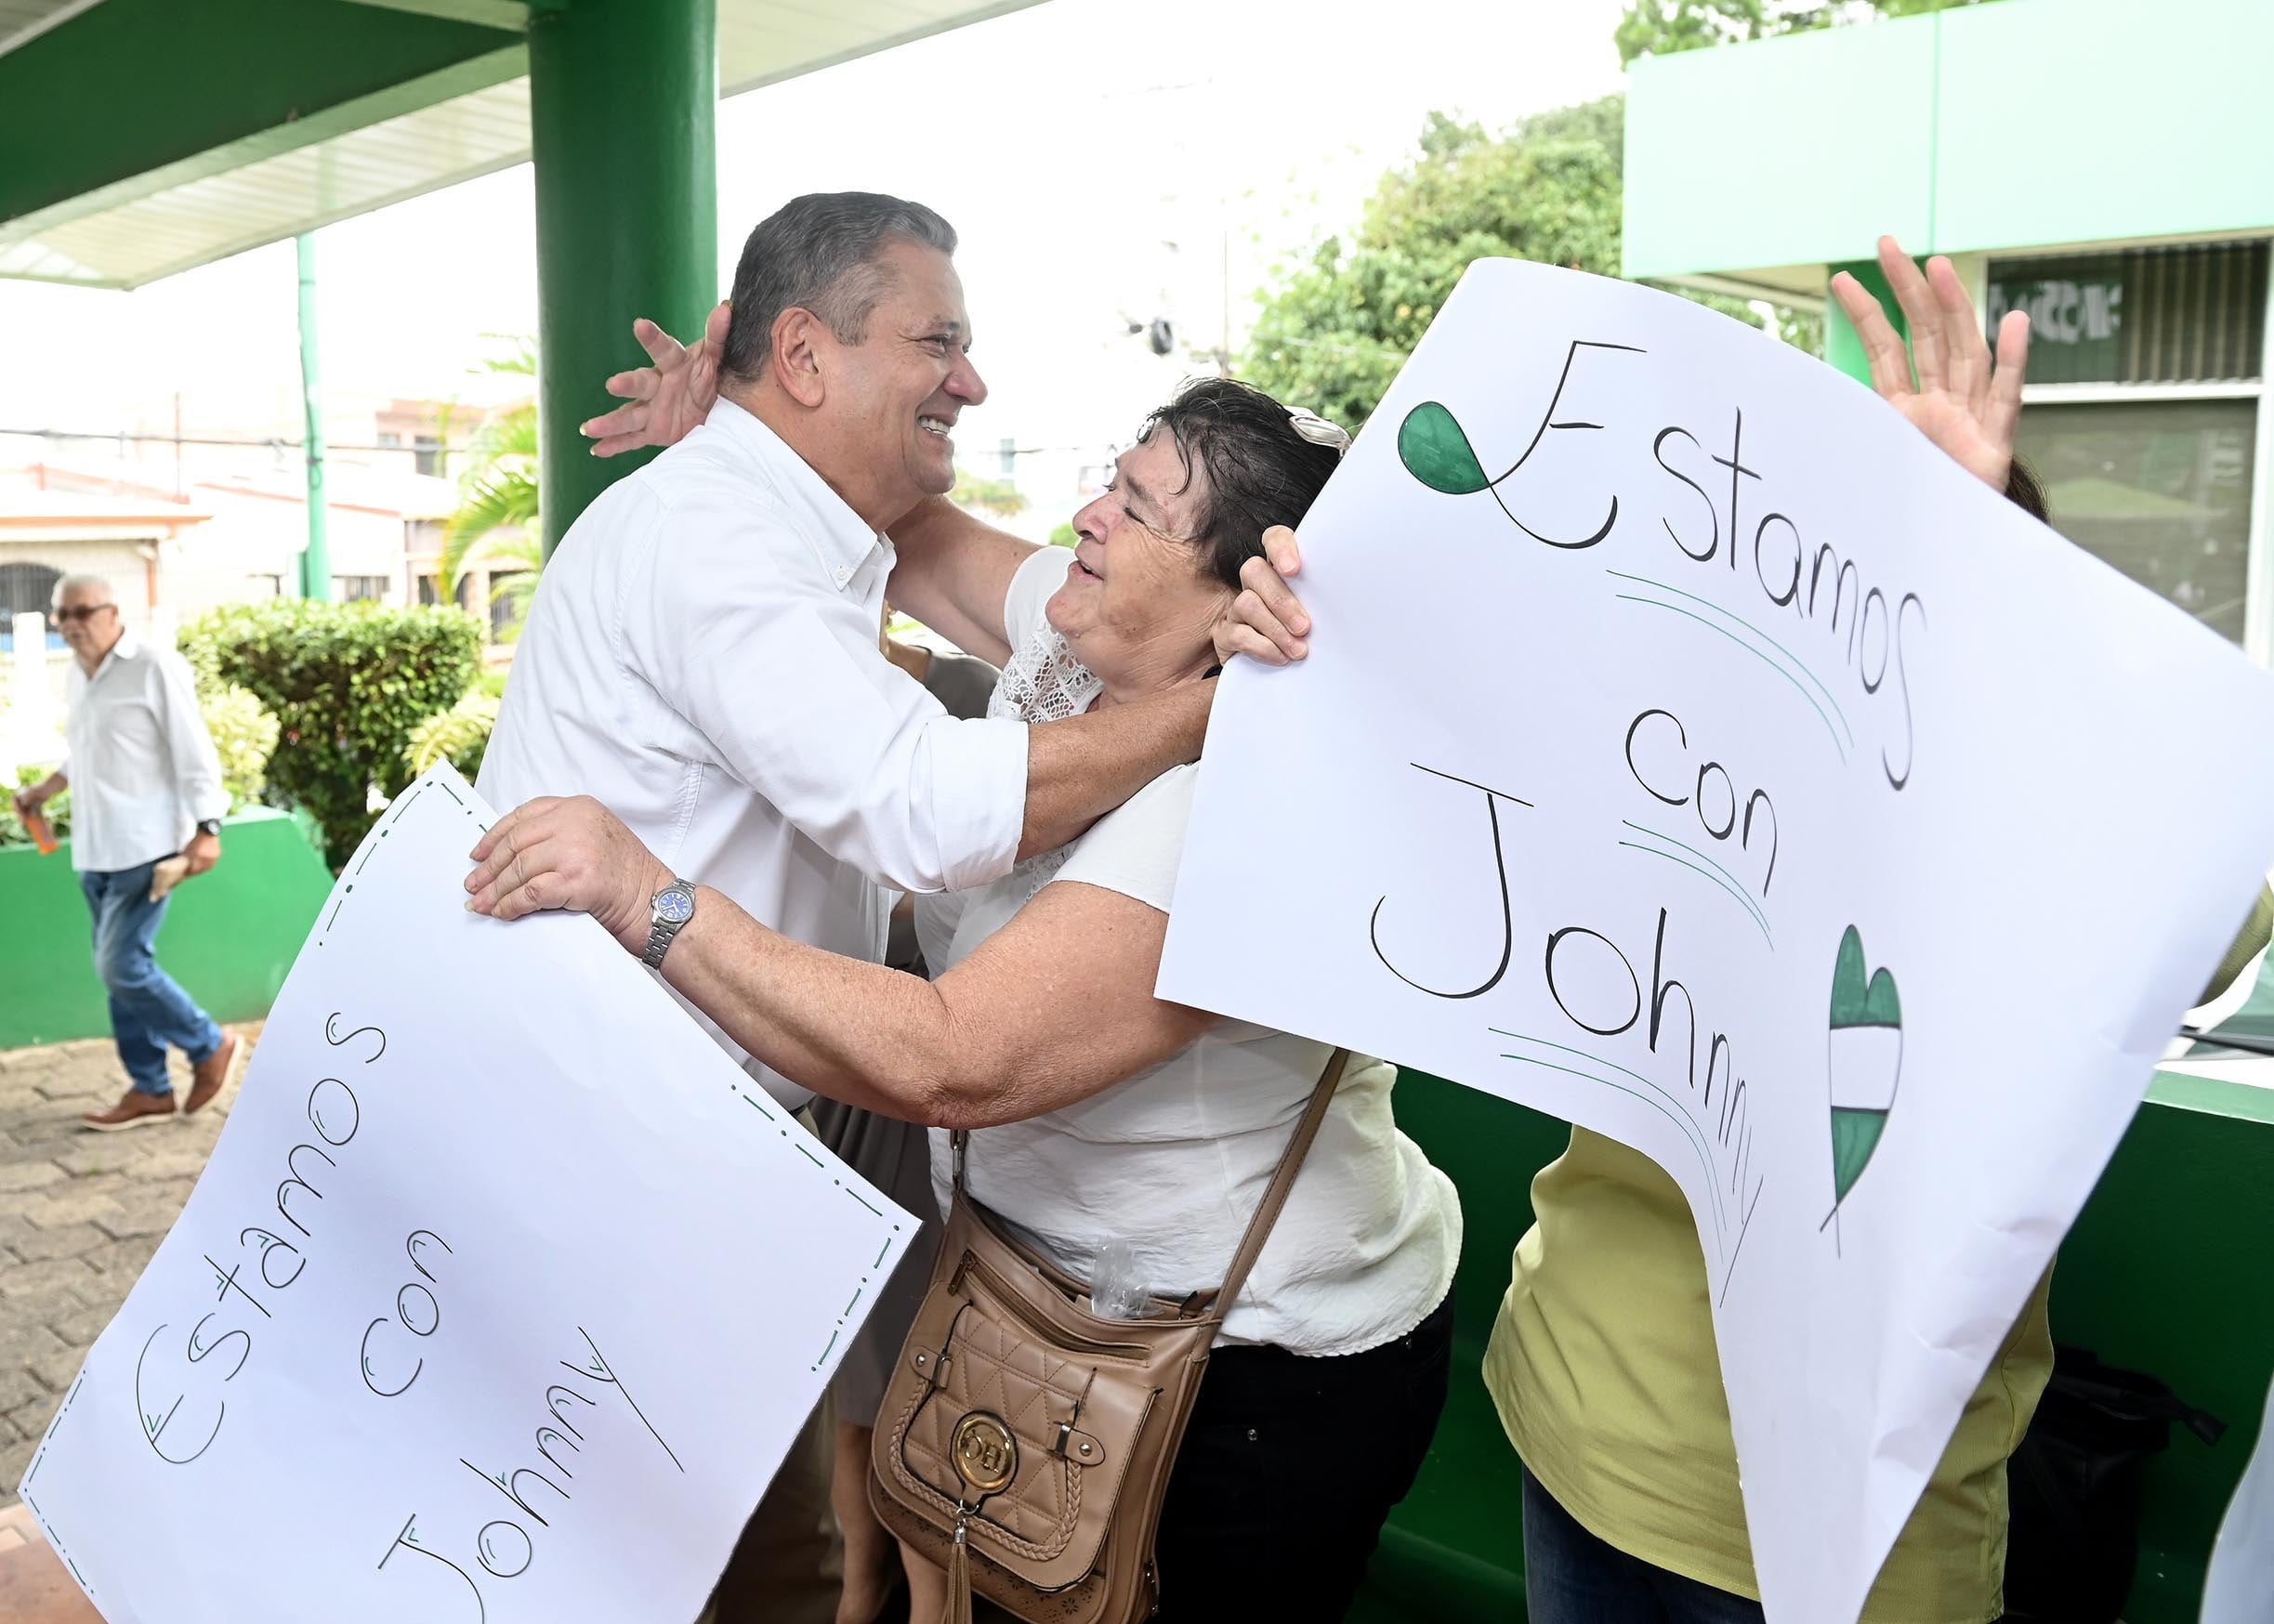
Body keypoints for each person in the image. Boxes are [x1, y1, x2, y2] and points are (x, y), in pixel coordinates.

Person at [1213, 237, 2274, 1623]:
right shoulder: (1668, 752)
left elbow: (2187, 904)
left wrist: (1975, 560)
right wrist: (1307, 637)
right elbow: (1431, 722)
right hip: (1575, 1419)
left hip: (1857, 1528)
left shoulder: (2042, 829)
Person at [466, 376, 1464, 1622]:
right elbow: (915, 539)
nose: (1089, 514)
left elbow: (955, 1058)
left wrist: (650, 897)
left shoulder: (1245, 807)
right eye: (1112, 472)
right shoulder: (1077, 625)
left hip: (1241, 1373)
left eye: (1136, 508)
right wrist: (749, 429)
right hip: (1037, 1305)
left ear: (1237, 607)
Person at [480, 192, 1219, 1624]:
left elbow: (935, 577)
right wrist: (1205, 719)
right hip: (638, 1165)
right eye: (937, 343)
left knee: (757, 1555)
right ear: (806, 359)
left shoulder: (780, 521)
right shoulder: (716, 536)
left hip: (718, 1155)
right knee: (670, 1562)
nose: (972, 380)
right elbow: (923, 812)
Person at [11, 573, 242, 1131]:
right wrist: (46, 790)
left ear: (114, 613)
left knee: (120, 966)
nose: (70, 626)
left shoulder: (154, 666)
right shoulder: (78, 675)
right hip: (94, 848)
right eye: (61, 615)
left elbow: (194, 752)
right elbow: (87, 752)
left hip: (147, 846)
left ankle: (209, 1043)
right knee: (120, 972)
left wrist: (207, 828)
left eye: (82, 613)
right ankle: (150, 1089)